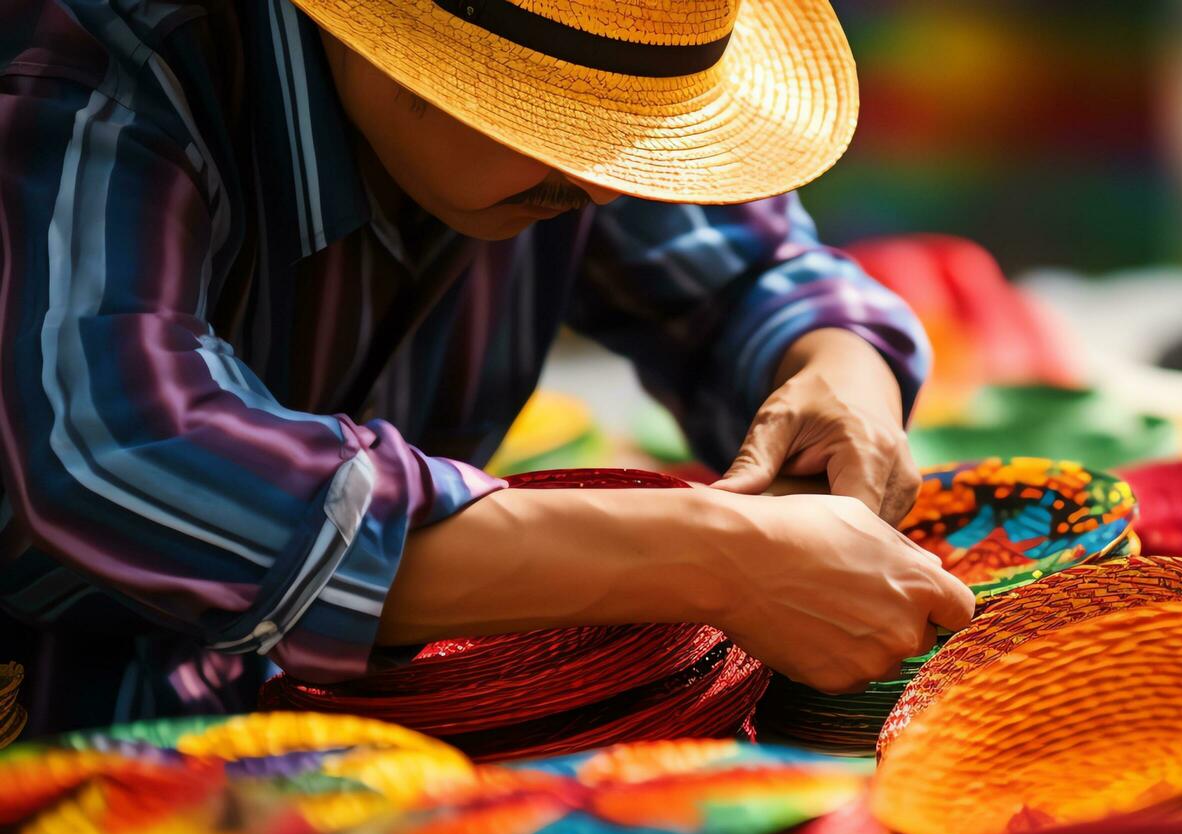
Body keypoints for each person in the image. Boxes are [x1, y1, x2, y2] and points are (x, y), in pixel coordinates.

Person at [0, 0, 974, 734]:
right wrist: (705, 556)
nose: (603, 181)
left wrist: (836, 367)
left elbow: (752, 272)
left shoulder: (572, 84)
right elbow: (115, 448)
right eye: (555, 117)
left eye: (631, 129)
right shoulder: (93, 78)